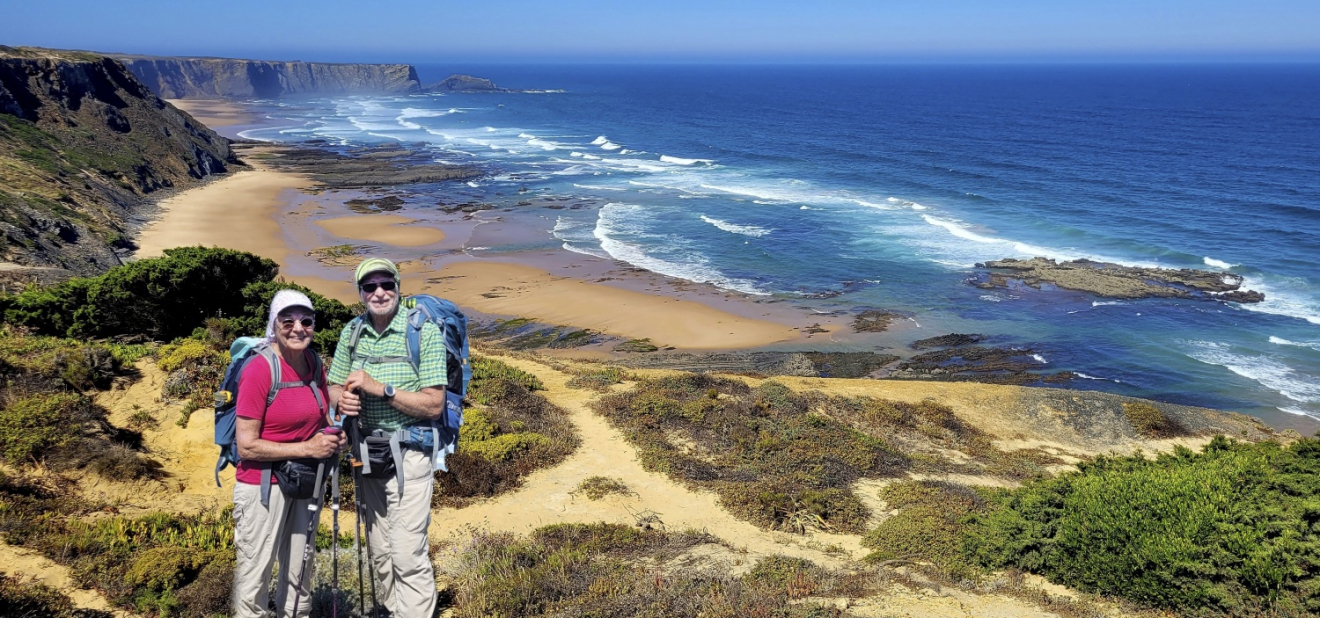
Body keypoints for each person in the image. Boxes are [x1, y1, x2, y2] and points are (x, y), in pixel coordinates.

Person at [329, 258, 446, 618]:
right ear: (360, 293)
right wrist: (341, 397)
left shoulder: (422, 332)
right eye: (370, 286)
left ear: (398, 286)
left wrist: (380, 389)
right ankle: (397, 610)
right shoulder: (351, 332)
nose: (379, 292)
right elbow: (333, 385)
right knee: (380, 549)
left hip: (410, 452)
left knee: (407, 550)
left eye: (386, 284)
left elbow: (434, 405)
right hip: (367, 453)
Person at [231, 289, 346, 618]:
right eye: (288, 320)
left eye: (306, 321)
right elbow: (247, 445)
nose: (298, 328)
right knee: (255, 574)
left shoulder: (313, 362)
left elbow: (322, 415)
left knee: (300, 571)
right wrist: (308, 448)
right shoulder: (259, 370)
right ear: (274, 324)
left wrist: (334, 436)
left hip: (306, 480)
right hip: (262, 486)